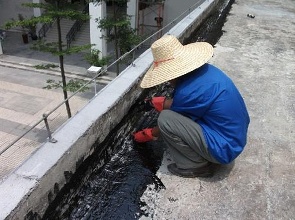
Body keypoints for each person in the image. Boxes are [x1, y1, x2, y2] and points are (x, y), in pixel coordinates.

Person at [133, 35, 250, 178]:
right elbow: (190, 104)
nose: (168, 82)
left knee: (165, 119)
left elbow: (173, 119)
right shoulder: (206, 71)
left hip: (224, 148)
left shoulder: (188, 92)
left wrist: (150, 134)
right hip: (234, 137)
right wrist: (159, 102)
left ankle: (195, 166)